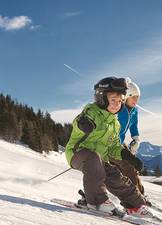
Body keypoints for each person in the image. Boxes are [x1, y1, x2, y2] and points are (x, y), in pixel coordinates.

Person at [64, 77, 150, 217]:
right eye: (113, 100)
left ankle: (136, 204)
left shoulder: (114, 123)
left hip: (98, 161)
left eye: (120, 101)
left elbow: (114, 146)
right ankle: (96, 201)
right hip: (77, 154)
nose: (117, 104)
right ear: (102, 99)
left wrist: (128, 156)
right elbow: (77, 123)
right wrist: (83, 124)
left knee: (115, 176)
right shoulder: (91, 112)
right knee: (93, 159)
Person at [113, 78, 145, 195]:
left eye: (138, 97)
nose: (136, 100)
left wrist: (136, 138)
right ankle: (135, 197)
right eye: (133, 97)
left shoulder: (134, 111)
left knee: (134, 167)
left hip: (120, 143)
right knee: (128, 167)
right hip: (111, 144)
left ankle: (141, 194)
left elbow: (134, 126)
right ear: (126, 97)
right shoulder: (118, 109)